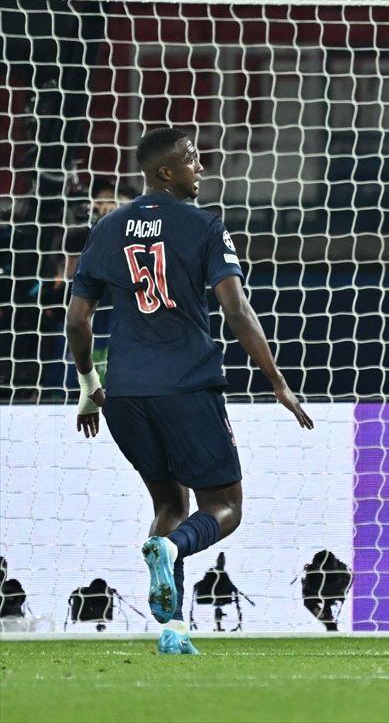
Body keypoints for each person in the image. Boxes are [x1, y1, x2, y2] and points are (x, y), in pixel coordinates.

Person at [66, 127, 313, 653]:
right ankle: (172, 549)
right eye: (190, 159)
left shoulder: (107, 230)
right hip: (187, 385)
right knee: (225, 507)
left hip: (125, 393)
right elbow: (237, 310)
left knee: (168, 502)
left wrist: (90, 384)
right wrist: (279, 385)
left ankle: (173, 630)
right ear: (164, 173)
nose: (199, 166)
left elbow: (77, 320)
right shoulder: (204, 226)